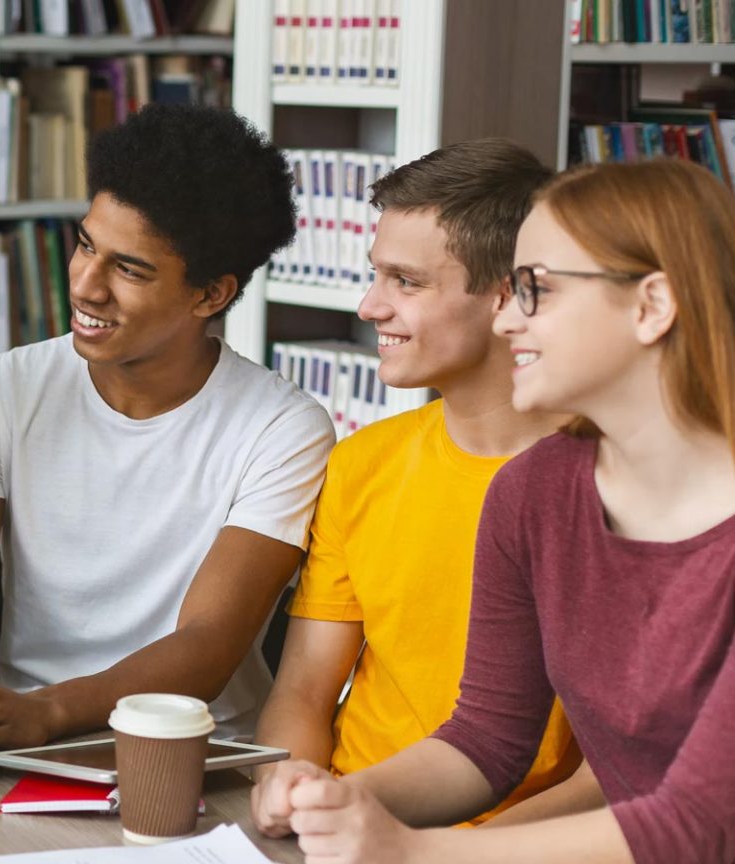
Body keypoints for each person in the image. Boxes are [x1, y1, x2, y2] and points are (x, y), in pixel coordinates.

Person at [267, 159, 735, 862]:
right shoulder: (535, 491)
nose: (507, 316)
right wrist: (344, 800)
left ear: (651, 306)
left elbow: (698, 823)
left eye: (534, 290)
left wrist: (413, 853)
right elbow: (487, 739)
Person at [0, 103, 335, 762]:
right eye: (85, 244)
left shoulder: (282, 428)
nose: (85, 284)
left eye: (128, 269)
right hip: (20, 748)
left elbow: (209, 641)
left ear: (209, 296)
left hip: (201, 757)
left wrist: (46, 710)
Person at [251, 140, 588, 833]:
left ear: (506, 296)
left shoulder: (608, 482)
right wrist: (287, 783)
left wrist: (453, 855)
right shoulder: (360, 464)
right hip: (351, 823)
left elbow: (623, 773)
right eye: (376, 276)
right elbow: (305, 692)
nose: (369, 306)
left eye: (406, 282)